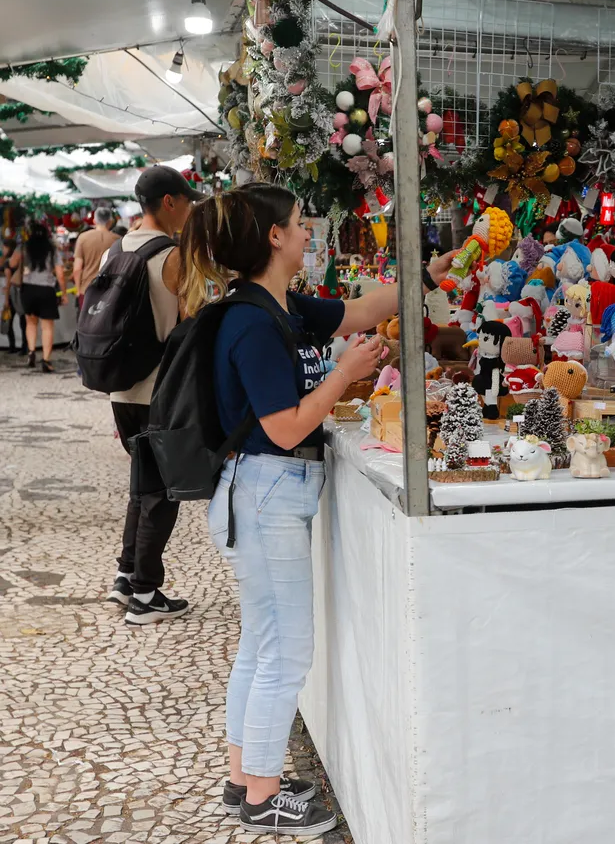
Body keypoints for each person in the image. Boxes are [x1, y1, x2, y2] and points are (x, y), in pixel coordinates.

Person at [193, 183, 457, 835]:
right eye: (298, 223)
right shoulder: (251, 322)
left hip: (268, 490)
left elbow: (363, 307)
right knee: (284, 650)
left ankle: (243, 780)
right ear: (273, 237)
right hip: (267, 489)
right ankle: (262, 794)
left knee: (262, 643)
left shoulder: (280, 305)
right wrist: (345, 373)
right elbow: (283, 426)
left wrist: (427, 273)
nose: (309, 230)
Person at [104, 166, 205, 623]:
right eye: (187, 201)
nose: (189, 210)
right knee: (163, 492)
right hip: (159, 389)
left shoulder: (115, 249)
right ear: (169, 202)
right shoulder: (170, 255)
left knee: (141, 487)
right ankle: (146, 594)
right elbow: (195, 314)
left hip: (121, 390)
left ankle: (126, 576)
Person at [14, 223, 67, 372]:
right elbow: (61, 275)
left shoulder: (24, 248)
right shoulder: (52, 249)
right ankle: (46, 359)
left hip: (28, 289)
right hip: (46, 290)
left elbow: (12, 262)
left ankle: (31, 352)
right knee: (47, 327)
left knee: (30, 323)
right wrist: (63, 294)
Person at [73, 206, 119, 305]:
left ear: (94, 221)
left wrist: (78, 290)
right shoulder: (118, 240)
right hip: (110, 290)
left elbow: (77, 269)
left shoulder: (83, 238)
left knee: (86, 320)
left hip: (87, 289)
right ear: (110, 221)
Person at [2, 238, 24, 354]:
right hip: (21, 293)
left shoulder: (7, 263)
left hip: (12, 295)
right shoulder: (20, 261)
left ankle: (12, 346)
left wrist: (6, 299)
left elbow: (8, 282)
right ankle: (25, 347)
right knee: (23, 320)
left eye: (4, 247)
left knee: (9, 321)